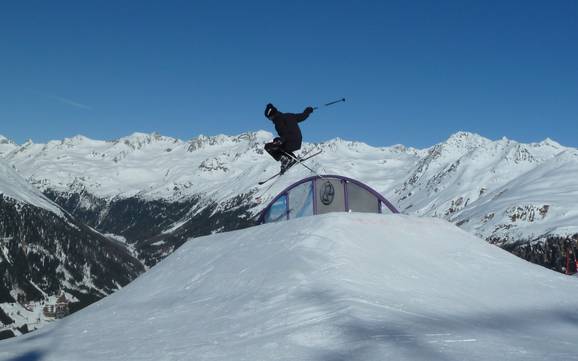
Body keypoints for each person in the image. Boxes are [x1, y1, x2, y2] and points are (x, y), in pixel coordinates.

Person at [264, 103, 314, 174]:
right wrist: (308, 111)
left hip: (290, 141)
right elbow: (302, 116)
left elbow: (286, 134)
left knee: (268, 146)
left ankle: (286, 160)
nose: (269, 120)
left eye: (269, 118)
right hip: (298, 141)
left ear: (272, 115)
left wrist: (280, 140)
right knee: (278, 144)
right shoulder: (289, 115)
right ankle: (291, 158)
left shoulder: (278, 123)